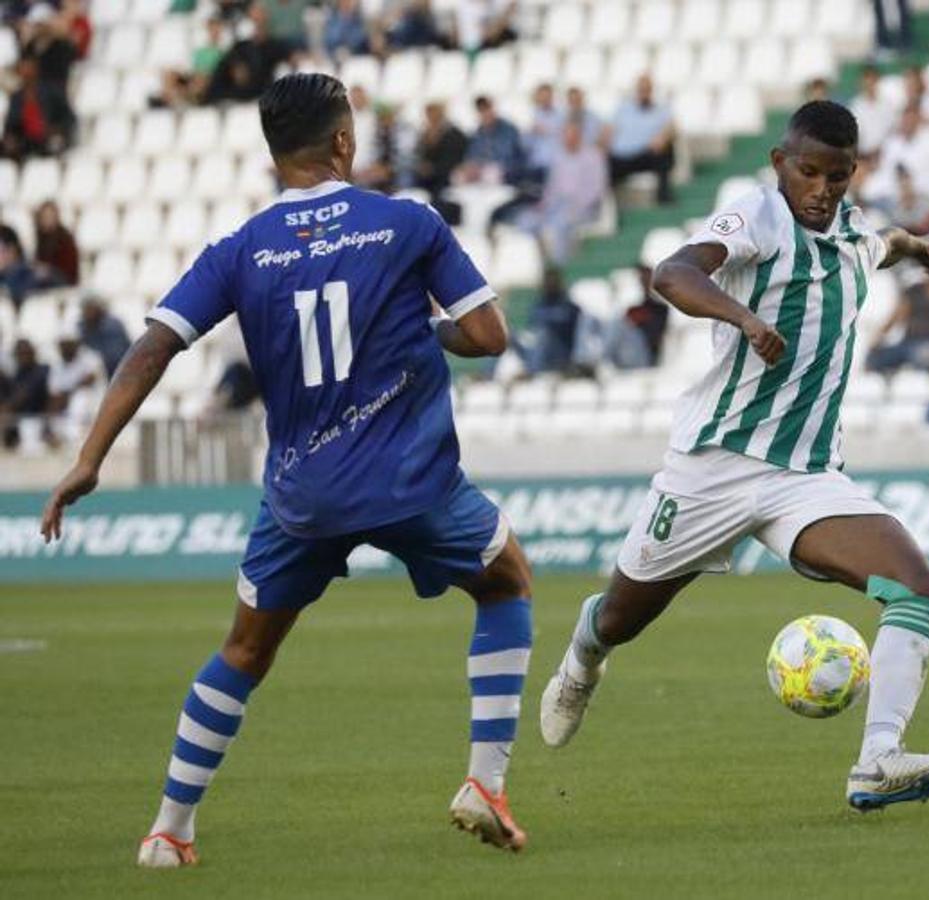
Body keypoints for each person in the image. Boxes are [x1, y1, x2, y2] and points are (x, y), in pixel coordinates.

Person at [40, 73, 537, 866]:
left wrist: (88, 458)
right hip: (412, 482)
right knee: (506, 580)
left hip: (301, 492)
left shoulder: (239, 250)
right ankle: (484, 782)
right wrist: (429, 331)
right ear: (344, 142)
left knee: (244, 649)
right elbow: (488, 335)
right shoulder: (407, 223)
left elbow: (152, 347)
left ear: (274, 154)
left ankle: (168, 830)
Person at [536, 101, 929, 812]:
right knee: (622, 616)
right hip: (713, 466)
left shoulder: (854, 229)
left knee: (917, 583)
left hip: (803, 476)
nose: (821, 188)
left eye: (836, 175)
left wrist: (916, 244)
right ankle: (582, 662)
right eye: (807, 172)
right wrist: (742, 317)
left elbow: (875, 245)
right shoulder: (758, 216)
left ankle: (877, 761)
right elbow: (673, 272)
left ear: (850, 173)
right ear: (780, 163)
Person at [515, 119, 607, 263]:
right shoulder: (559, 157)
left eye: (571, 136)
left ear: (579, 137)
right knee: (525, 220)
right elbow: (552, 187)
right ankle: (539, 262)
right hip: (557, 205)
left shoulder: (593, 156)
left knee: (561, 223)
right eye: (565, 136)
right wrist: (543, 205)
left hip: (584, 208)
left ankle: (560, 269)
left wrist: (575, 207)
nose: (568, 139)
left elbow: (595, 189)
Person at [605, 74, 676, 205]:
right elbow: (608, 132)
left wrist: (663, 137)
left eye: (647, 89)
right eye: (641, 89)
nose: (644, 92)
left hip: (645, 155)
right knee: (602, 165)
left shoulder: (661, 110)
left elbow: (670, 129)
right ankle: (608, 206)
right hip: (620, 158)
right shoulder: (623, 109)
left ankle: (663, 197)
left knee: (667, 150)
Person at [1, 338, 52, 449]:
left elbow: (23, 396)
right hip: (17, 421)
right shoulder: (16, 375)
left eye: (26, 353)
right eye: (20, 354)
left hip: (35, 421)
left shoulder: (43, 371)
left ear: (33, 352)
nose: (23, 357)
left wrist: (6, 408)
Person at [846, 65, 897, 157]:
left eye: (872, 80)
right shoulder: (855, 106)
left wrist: (880, 149)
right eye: (866, 80)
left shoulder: (887, 104)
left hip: (886, 154)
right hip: (863, 157)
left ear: (877, 81)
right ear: (861, 82)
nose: (869, 84)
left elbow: (892, 130)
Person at [78, 294, 132, 377]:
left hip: (117, 369)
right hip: (95, 371)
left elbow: (116, 355)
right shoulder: (83, 326)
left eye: (90, 308)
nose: (87, 313)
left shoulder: (113, 324)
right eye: (85, 309)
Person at [32, 200, 79, 288]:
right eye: (44, 217)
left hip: (63, 279)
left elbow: (69, 271)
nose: (47, 219)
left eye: (50, 216)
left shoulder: (65, 238)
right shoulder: (41, 237)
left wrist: (48, 269)